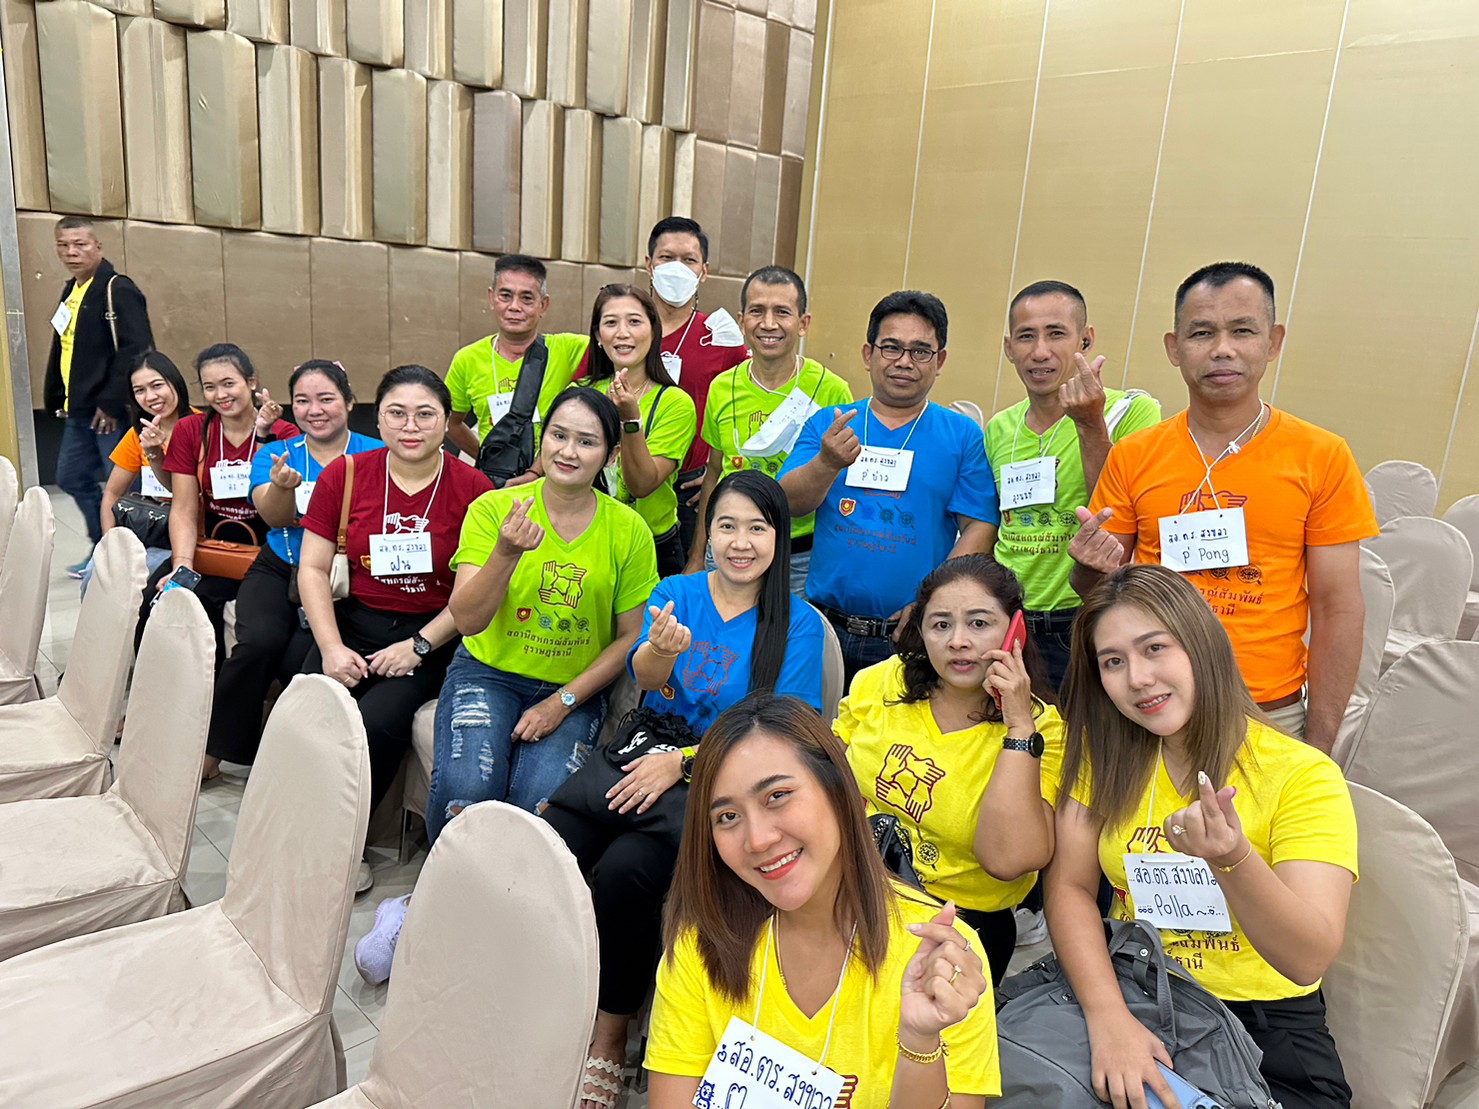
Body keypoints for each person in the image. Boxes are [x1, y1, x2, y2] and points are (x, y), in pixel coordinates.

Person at [541, 470, 827, 1109]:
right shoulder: (677, 592)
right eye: (726, 526)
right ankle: (543, 986)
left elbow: (786, 732)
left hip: (725, 783)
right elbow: (644, 680)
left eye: (757, 528)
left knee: (626, 872)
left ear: (780, 537)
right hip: (646, 755)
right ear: (709, 532)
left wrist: (684, 764)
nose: (740, 542)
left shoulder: (799, 624)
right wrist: (661, 654)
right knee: (551, 840)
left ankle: (610, 1033)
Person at [352, 389, 656, 985]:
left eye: (587, 441)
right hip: (487, 671)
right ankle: (425, 910)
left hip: (570, 688)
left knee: (533, 810)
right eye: (559, 435)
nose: (569, 451)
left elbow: (626, 640)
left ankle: (487, 933)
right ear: (542, 440)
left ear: (610, 455)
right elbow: (467, 621)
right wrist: (506, 554)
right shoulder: (496, 510)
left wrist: (561, 702)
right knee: (467, 791)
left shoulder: (628, 530)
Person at [1046, 563, 1357, 1109]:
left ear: (1202, 645)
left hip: (1262, 1025)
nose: (1138, 678)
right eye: (1113, 662)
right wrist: (1108, 1017)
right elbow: (1069, 887)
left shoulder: (1301, 774)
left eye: (1154, 648)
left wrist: (1232, 858)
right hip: (1133, 991)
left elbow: (1307, 959)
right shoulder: (1107, 758)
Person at [1068, 262, 1377, 752]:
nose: (1222, 349)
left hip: (1265, 710)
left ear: (1273, 342)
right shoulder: (1134, 455)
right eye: (1202, 333)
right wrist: (1087, 568)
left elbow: (1337, 608)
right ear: (1174, 348)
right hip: (1148, 704)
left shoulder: (1321, 456)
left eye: (1242, 331)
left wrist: (1317, 744)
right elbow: (1100, 592)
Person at [645, 693, 999, 1109]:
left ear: (839, 790)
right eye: (728, 817)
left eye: (777, 796)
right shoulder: (702, 944)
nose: (758, 839)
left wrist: (920, 1040)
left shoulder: (937, 955)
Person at [297, 365, 493, 891]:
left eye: (425, 414)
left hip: (433, 633)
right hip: (354, 622)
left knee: (378, 720)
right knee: (309, 708)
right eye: (396, 413)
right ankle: (296, 825)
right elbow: (312, 568)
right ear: (377, 419)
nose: (411, 426)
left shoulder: (474, 488)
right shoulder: (346, 475)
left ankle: (345, 847)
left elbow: (473, 597)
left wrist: (419, 646)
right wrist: (331, 647)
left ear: (447, 422)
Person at [834, 554, 1064, 985]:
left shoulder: (1043, 729)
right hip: (856, 894)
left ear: (1015, 629)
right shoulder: (884, 680)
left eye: (979, 623)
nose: (958, 641)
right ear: (920, 631)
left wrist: (1018, 728)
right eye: (941, 625)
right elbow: (827, 769)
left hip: (960, 928)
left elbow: (1008, 861)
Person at [779, 290, 999, 681]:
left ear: (940, 361)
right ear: (869, 354)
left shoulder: (962, 435)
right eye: (892, 347)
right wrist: (827, 462)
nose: (904, 361)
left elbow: (980, 525)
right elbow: (788, 502)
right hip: (822, 628)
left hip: (909, 635)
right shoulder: (831, 423)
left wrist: (934, 601)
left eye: (920, 351)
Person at [200, 361, 382, 781]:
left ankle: (289, 760)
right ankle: (217, 749)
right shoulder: (275, 454)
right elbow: (275, 517)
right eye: (302, 401)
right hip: (280, 565)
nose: (314, 410)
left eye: (326, 399)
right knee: (257, 643)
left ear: (349, 402)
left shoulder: (375, 454)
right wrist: (283, 487)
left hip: (348, 576)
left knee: (300, 658)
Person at [989, 280, 1161, 688]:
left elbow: (1121, 513)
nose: (1040, 352)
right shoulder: (999, 427)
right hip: (1010, 621)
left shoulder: (1130, 411)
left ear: (1085, 339)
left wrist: (1089, 424)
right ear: (1009, 347)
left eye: (1056, 333)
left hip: (1086, 614)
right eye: (1026, 336)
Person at [684, 266, 853, 598]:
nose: (769, 323)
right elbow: (715, 472)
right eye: (757, 311)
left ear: (803, 323)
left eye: (782, 312)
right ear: (741, 320)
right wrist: (696, 556)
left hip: (799, 557)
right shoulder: (722, 388)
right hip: (728, 549)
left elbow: (843, 487)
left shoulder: (832, 391)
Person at [140, 344, 298, 665]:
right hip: (210, 547)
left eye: (229, 383)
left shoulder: (284, 432)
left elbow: (284, 508)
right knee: (157, 604)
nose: (220, 395)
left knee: (261, 630)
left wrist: (264, 435)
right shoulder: (191, 430)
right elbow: (184, 507)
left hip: (267, 552)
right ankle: (165, 686)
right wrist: (182, 566)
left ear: (251, 382)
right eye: (210, 387)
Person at [44, 216, 153, 571]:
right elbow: (65, 348)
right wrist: (56, 394)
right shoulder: (71, 290)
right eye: (63, 245)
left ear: (97, 247)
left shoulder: (117, 289)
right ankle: (105, 544)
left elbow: (137, 349)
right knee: (71, 478)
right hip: (78, 410)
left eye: (80, 244)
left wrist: (110, 400)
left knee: (125, 488)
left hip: (109, 412)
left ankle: (135, 555)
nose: (71, 252)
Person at [635, 216, 749, 556]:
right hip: (625, 480)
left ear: (704, 271)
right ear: (649, 265)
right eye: (666, 258)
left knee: (682, 580)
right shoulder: (625, 330)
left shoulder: (721, 337)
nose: (677, 268)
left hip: (690, 490)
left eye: (689, 260)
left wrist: (721, 473)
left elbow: (747, 405)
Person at [584, 284, 698, 578]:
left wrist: (630, 420)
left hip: (654, 547)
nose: (623, 333)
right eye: (611, 323)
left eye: (634, 322)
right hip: (588, 542)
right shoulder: (581, 394)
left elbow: (643, 485)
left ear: (653, 330)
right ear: (598, 336)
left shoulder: (675, 403)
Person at [443, 254, 591, 465]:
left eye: (526, 298)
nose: (514, 307)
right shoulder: (467, 359)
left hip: (553, 475)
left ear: (543, 304)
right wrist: (487, 460)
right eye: (505, 296)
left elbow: (616, 345)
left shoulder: (569, 349)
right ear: (491, 297)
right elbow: (451, 422)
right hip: (496, 480)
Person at [93, 351, 193, 585]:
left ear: (175, 382)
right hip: (149, 530)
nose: (150, 397)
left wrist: (156, 454)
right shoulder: (138, 435)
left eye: (157, 385)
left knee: (140, 574)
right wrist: (110, 544)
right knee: (94, 575)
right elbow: (112, 493)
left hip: (187, 536)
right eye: (139, 390)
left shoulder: (200, 427)